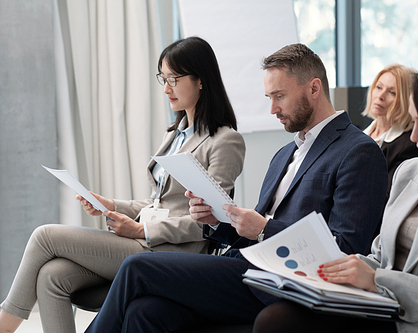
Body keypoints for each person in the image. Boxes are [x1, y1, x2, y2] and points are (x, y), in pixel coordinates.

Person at [84, 43, 388, 333]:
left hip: (281, 280)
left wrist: (264, 229)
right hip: (244, 266)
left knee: (137, 267)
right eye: (269, 97)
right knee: (144, 311)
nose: (272, 109)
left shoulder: (358, 150)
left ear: (314, 88)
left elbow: (346, 248)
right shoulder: (285, 154)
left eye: (279, 96)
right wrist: (216, 221)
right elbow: (251, 229)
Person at [0, 36, 245, 333]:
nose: (166, 88)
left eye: (174, 79)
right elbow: (159, 203)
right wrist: (112, 205)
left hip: (178, 253)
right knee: (52, 274)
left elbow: (212, 220)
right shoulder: (176, 134)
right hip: (144, 242)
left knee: (45, 236)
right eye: (163, 79)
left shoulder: (224, 140)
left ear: (201, 80)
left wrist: (142, 230)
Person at [252, 61, 418, 333]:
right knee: (275, 318)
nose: (414, 135)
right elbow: (380, 254)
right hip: (382, 304)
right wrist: (336, 269)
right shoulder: (410, 172)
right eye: (413, 121)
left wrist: (377, 279)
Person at [363, 64, 418, 194]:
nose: (380, 96)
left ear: (406, 100)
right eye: (378, 87)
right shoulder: (357, 135)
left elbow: (387, 196)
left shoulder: (409, 146)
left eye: (392, 92)